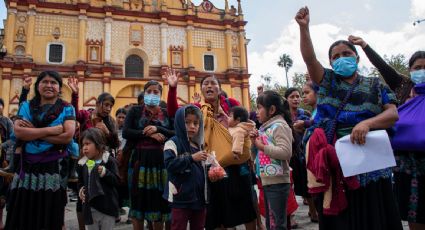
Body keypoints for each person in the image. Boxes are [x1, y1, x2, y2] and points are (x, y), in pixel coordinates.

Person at [296, 6, 402, 230]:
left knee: (375, 213)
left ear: (356, 56)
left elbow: (392, 113)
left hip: (372, 162)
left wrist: (367, 123)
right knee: (341, 218)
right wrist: (304, 29)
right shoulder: (327, 82)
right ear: (331, 63)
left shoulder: (375, 84)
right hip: (337, 162)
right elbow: (310, 59)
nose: (341, 58)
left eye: (346, 54)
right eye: (335, 57)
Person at [166, 69, 257, 230]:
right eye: (205, 84)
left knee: (245, 206)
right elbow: (174, 113)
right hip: (211, 166)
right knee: (217, 210)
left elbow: (245, 122)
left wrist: (251, 134)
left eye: (213, 83)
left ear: (219, 89)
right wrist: (172, 88)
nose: (209, 86)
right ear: (201, 90)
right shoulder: (196, 108)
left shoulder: (231, 105)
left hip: (236, 162)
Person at [5, 71, 76, 229]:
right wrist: (51, 130)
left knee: (50, 211)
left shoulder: (67, 108)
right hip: (27, 166)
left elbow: (67, 137)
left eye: (53, 82)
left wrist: (34, 132)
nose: (49, 85)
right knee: (23, 209)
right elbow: (19, 132)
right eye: (44, 82)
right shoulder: (26, 106)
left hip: (54, 167)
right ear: (37, 86)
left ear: (59, 87)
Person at [68, 76, 119, 230]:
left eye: (111, 106)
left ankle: (105, 218)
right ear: (98, 104)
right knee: (84, 190)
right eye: (106, 105)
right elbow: (74, 114)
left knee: (102, 188)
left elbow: (116, 143)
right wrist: (75, 95)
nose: (108, 109)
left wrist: (108, 132)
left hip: (102, 161)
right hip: (86, 159)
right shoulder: (86, 115)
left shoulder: (111, 122)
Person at [123, 80, 175, 230]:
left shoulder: (166, 113)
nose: (152, 94)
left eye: (156, 92)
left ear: (161, 94)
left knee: (161, 201)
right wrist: (148, 135)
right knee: (138, 202)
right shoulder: (134, 111)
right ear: (144, 93)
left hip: (162, 163)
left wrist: (159, 129)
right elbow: (126, 132)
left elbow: (176, 132)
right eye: (149, 91)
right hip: (139, 161)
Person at [390, 51, 425, 230]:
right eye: (417, 68)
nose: (422, 71)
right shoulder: (404, 95)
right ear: (410, 71)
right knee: (415, 219)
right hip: (408, 172)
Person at [251, 90, 293, 230]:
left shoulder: (279, 126)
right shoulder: (266, 128)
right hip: (268, 180)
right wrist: (254, 142)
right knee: (271, 222)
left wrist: (261, 146)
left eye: (259, 107)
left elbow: (286, 152)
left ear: (272, 109)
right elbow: (257, 155)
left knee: (277, 224)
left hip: (278, 182)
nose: (256, 111)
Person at [163, 105, 208, 230]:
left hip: (199, 198)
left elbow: (201, 170)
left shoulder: (199, 146)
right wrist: (191, 158)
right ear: (179, 123)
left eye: (196, 123)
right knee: (178, 226)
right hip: (180, 198)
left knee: (199, 226)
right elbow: (170, 164)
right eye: (187, 122)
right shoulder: (172, 142)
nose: (192, 126)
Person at [348, 35, 415, 104]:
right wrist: (363, 44)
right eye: (417, 68)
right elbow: (382, 65)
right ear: (409, 70)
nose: (422, 71)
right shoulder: (402, 83)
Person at [78, 128, 120, 230]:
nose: (85, 148)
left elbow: (117, 181)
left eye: (88, 144)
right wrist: (81, 190)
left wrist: (105, 173)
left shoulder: (109, 161)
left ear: (99, 144)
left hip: (107, 208)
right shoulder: (83, 163)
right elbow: (81, 181)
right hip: (90, 207)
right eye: (83, 145)